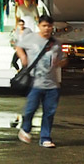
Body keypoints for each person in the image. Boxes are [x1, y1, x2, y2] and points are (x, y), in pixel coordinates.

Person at [16, 14, 68, 148]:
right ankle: (25, 128)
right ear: (39, 26)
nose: (47, 29)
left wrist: (59, 63)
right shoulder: (31, 38)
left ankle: (45, 138)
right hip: (35, 83)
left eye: (49, 26)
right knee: (30, 110)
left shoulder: (56, 43)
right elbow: (18, 46)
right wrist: (23, 57)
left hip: (52, 84)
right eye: (44, 26)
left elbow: (64, 60)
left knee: (49, 112)